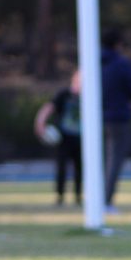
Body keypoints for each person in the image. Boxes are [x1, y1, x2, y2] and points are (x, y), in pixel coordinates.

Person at [100, 29, 131, 214]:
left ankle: (95, 197)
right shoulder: (121, 64)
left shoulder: (92, 60)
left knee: (99, 159)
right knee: (114, 159)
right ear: (117, 44)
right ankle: (105, 201)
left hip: (95, 118)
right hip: (117, 117)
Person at [34, 69, 83, 206]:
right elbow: (48, 108)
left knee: (80, 169)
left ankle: (78, 197)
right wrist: (40, 124)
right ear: (75, 79)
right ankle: (60, 196)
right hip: (64, 138)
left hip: (81, 139)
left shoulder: (89, 95)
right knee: (62, 168)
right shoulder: (64, 95)